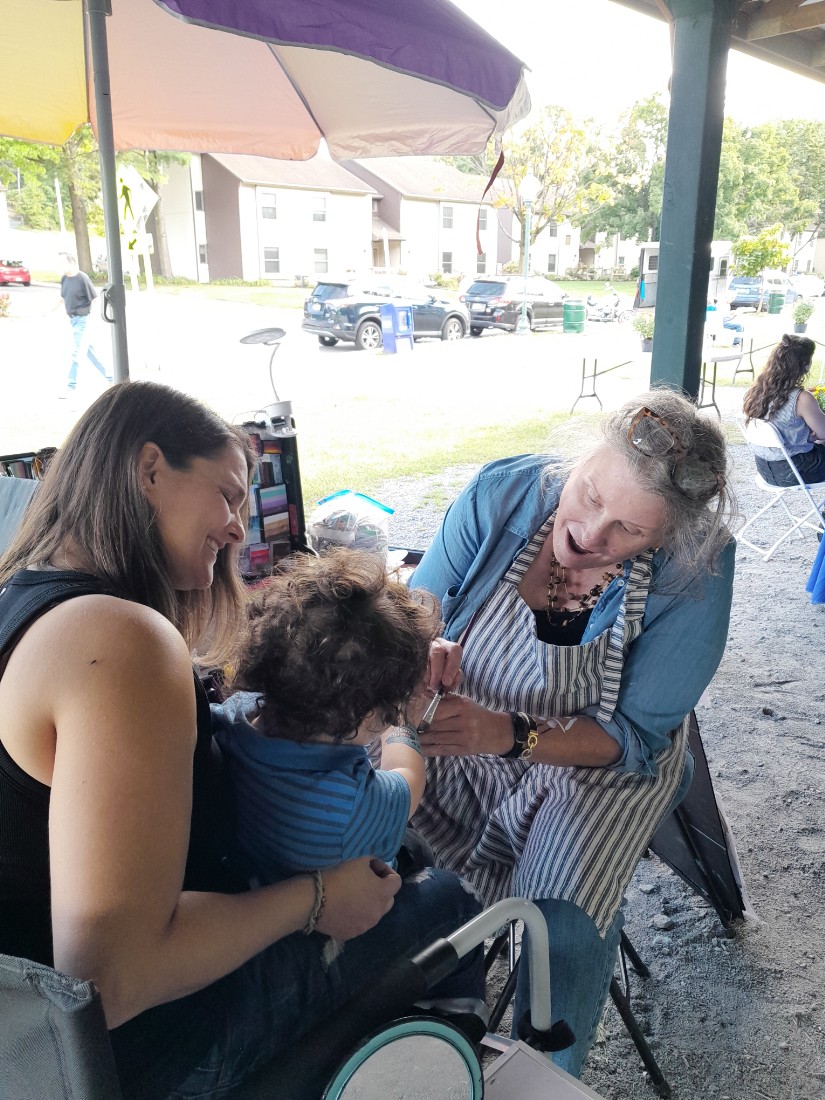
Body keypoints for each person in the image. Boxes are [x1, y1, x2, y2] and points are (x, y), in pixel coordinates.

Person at [0, 381, 483, 1100]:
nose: (238, 527)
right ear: (150, 469)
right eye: (228, 495)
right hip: (141, 1059)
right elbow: (114, 978)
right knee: (446, 902)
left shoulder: (24, 601)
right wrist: (316, 899)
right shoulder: (118, 640)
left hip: (26, 1056)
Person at [409, 389, 737, 1077]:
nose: (591, 534)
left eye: (628, 530)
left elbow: (630, 735)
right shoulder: (504, 493)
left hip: (601, 759)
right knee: (376, 810)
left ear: (666, 536)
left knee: (562, 905)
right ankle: (418, 1023)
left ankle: (545, 1072)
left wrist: (509, 735)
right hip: (471, 717)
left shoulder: (696, 567)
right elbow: (419, 613)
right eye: (589, 495)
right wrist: (417, 652)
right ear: (579, 458)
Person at [211, 548, 437, 880]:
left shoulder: (229, 720)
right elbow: (407, 777)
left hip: (253, 880)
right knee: (424, 858)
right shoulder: (352, 803)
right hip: (334, 918)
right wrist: (404, 723)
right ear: (369, 713)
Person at [742, 333, 825, 485]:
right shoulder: (802, 398)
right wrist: (812, 435)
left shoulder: (756, 391)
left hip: (766, 470)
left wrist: (807, 436)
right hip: (795, 471)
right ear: (805, 364)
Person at [59, 253, 112, 395]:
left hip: (83, 320)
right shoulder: (64, 279)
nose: (61, 267)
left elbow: (95, 298)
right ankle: (110, 376)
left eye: (62, 263)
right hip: (73, 320)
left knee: (76, 352)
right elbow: (63, 298)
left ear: (71, 263)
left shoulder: (82, 278)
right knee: (90, 352)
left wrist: (104, 316)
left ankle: (71, 385)